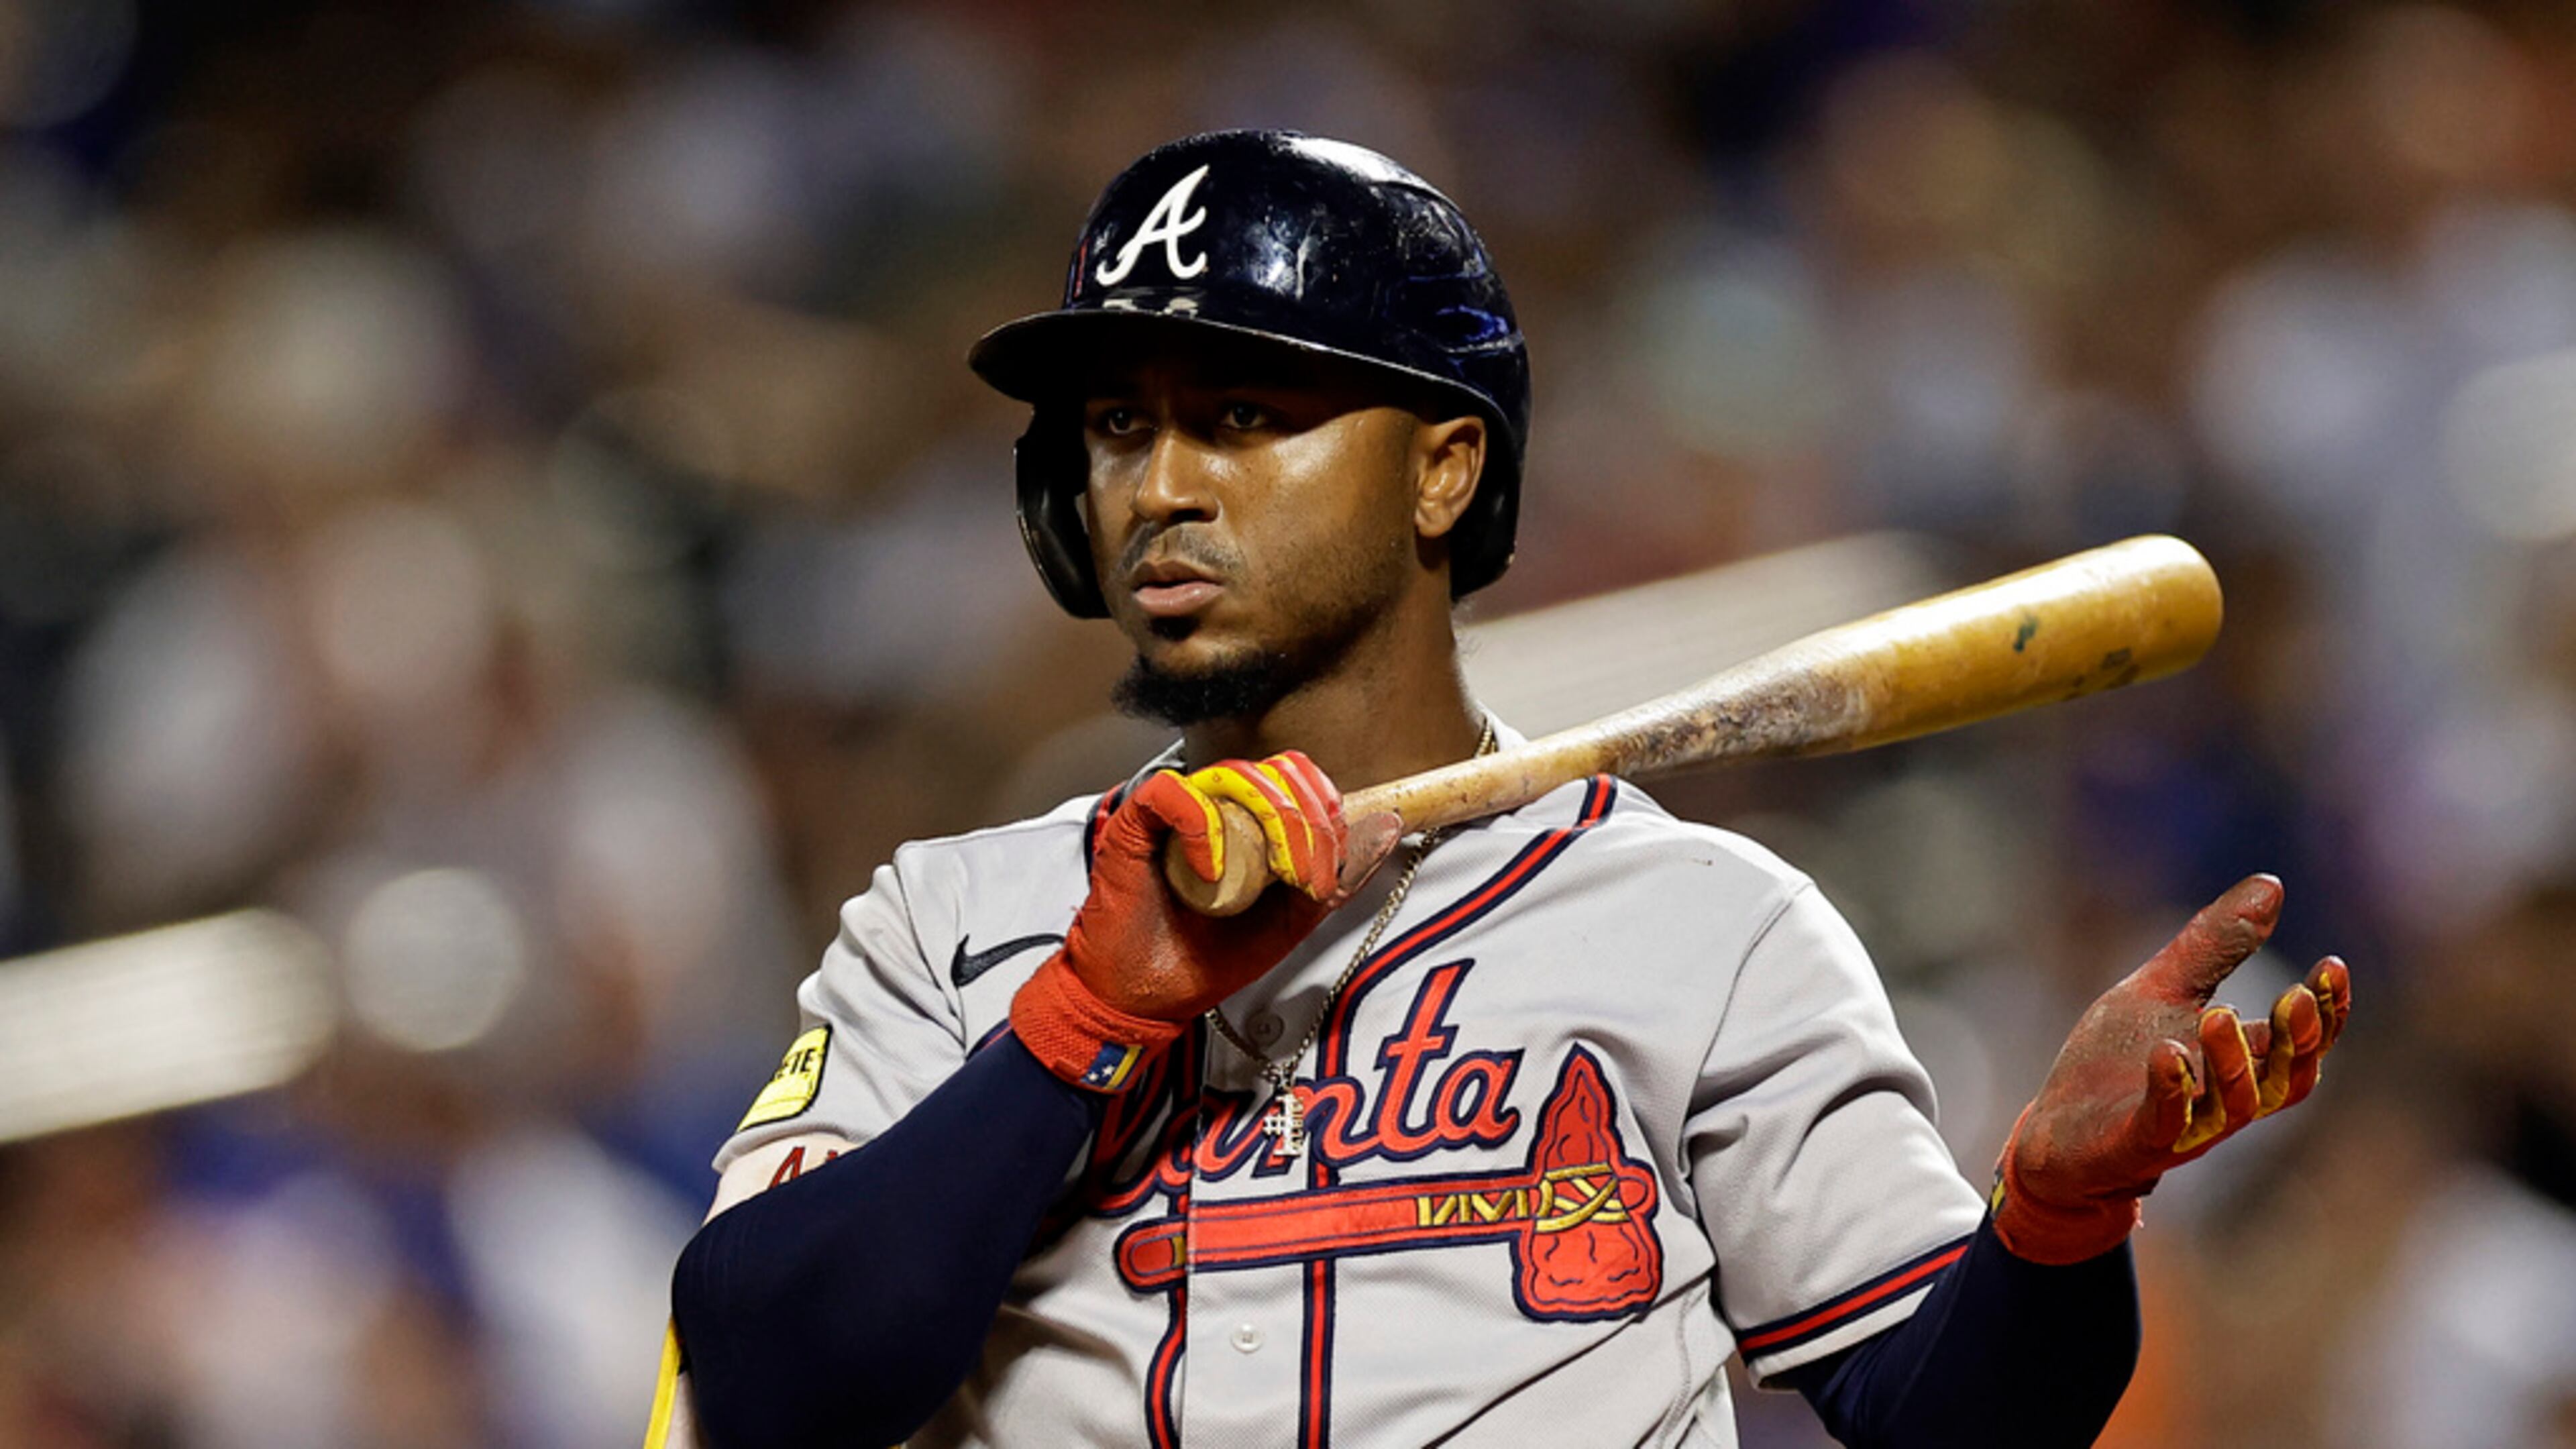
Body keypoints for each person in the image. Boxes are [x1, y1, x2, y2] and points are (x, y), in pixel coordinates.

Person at [651, 130, 2352, 1449]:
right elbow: (766, 1379)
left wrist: (2060, 1215)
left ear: (1445, 468)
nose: (1158, 486)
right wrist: (1081, 1020)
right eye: (1114, 427)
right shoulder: (961, 922)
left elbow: (1954, 1417)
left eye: (1243, 414)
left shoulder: (1702, 924)